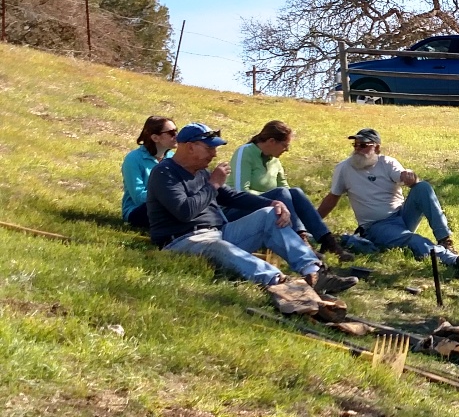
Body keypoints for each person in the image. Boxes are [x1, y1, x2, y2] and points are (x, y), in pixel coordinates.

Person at [146, 122, 356, 295]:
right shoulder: (164, 173)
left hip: (219, 233)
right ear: (190, 146)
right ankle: (278, 282)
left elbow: (231, 196)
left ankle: (314, 273)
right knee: (219, 248)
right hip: (182, 241)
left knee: (269, 215)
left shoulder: (201, 172)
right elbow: (184, 211)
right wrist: (213, 185)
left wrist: (271, 203)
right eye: (209, 148)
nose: (214, 154)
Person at [317, 128, 459, 273]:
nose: (357, 149)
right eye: (355, 145)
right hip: (377, 226)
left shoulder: (387, 162)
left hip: (402, 216)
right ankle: (454, 261)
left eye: (363, 145)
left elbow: (404, 177)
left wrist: (410, 178)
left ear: (376, 148)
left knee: (423, 187)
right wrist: (311, 224)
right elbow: (332, 199)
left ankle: (445, 240)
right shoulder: (344, 168)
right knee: (412, 239)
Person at [225, 120, 354, 261]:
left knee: (295, 192)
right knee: (280, 193)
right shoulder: (245, 152)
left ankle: (328, 241)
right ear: (271, 141)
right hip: (236, 210)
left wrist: (277, 201)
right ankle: (300, 241)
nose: (286, 150)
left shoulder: (275, 160)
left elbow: (287, 190)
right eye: (285, 145)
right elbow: (240, 191)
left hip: (265, 208)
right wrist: (273, 201)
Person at [121, 116, 177, 229]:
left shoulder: (173, 159)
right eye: (171, 133)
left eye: (177, 131)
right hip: (137, 211)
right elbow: (138, 197)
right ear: (155, 138)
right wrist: (167, 195)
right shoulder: (133, 159)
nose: (177, 136)